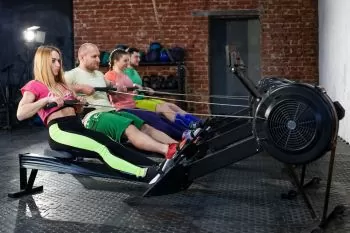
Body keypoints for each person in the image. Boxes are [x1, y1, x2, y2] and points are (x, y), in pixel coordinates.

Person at [16, 45, 167, 182]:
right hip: (60, 131)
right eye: (53, 61)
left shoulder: (63, 84)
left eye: (59, 61)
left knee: (112, 144)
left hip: (77, 126)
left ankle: (158, 168)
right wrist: (45, 101)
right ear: (43, 63)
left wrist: (79, 105)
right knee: (100, 148)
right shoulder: (34, 85)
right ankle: (144, 174)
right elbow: (21, 114)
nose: (58, 64)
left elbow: (76, 110)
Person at [64, 43, 178, 158]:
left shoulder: (99, 74)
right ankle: (167, 150)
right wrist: (80, 88)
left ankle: (178, 146)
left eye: (98, 56)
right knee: (130, 127)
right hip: (93, 116)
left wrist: (117, 88)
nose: (98, 60)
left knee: (145, 127)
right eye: (94, 56)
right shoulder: (71, 75)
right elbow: (55, 89)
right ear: (82, 57)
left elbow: (112, 86)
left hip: (111, 111)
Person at [105, 49, 187, 140]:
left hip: (133, 106)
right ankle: (182, 136)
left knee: (160, 117)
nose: (127, 63)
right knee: (154, 119)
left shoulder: (124, 75)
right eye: (125, 60)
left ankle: (186, 132)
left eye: (128, 60)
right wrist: (118, 89)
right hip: (122, 109)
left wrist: (139, 88)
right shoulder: (110, 75)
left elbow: (130, 89)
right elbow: (110, 91)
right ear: (115, 61)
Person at [124, 47, 201, 128]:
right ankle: (190, 126)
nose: (139, 59)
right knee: (164, 108)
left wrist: (146, 89)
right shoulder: (124, 72)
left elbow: (138, 87)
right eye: (136, 57)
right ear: (128, 57)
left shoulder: (134, 71)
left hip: (143, 99)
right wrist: (135, 89)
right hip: (135, 103)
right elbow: (125, 88)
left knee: (172, 106)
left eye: (139, 57)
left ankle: (198, 122)